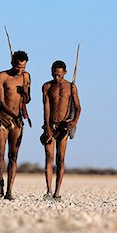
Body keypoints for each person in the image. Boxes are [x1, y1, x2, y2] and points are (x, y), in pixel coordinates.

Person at [0, 51, 31, 200]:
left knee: (14, 155)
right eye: (18, 66)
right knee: (1, 153)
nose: (20, 70)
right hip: (3, 118)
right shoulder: (2, 76)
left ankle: (9, 191)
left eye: (23, 67)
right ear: (12, 62)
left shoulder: (26, 77)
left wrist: (25, 93)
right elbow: (1, 100)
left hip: (17, 120)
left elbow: (27, 100)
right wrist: (12, 115)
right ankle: (0, 180)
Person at [41, 60, 81, 200]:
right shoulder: (47, 86)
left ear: (65, 72)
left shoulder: (71, 87)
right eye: (54, 74)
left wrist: (74, 121)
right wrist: (47, 126)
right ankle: (48, 191)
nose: (57, 77)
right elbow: (46, 107)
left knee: (61, 159)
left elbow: (78, 107)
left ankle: (57, 192)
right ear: (51, 71)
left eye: (60, 75)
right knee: (49, 157)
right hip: (51, 125)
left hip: (64, 126)